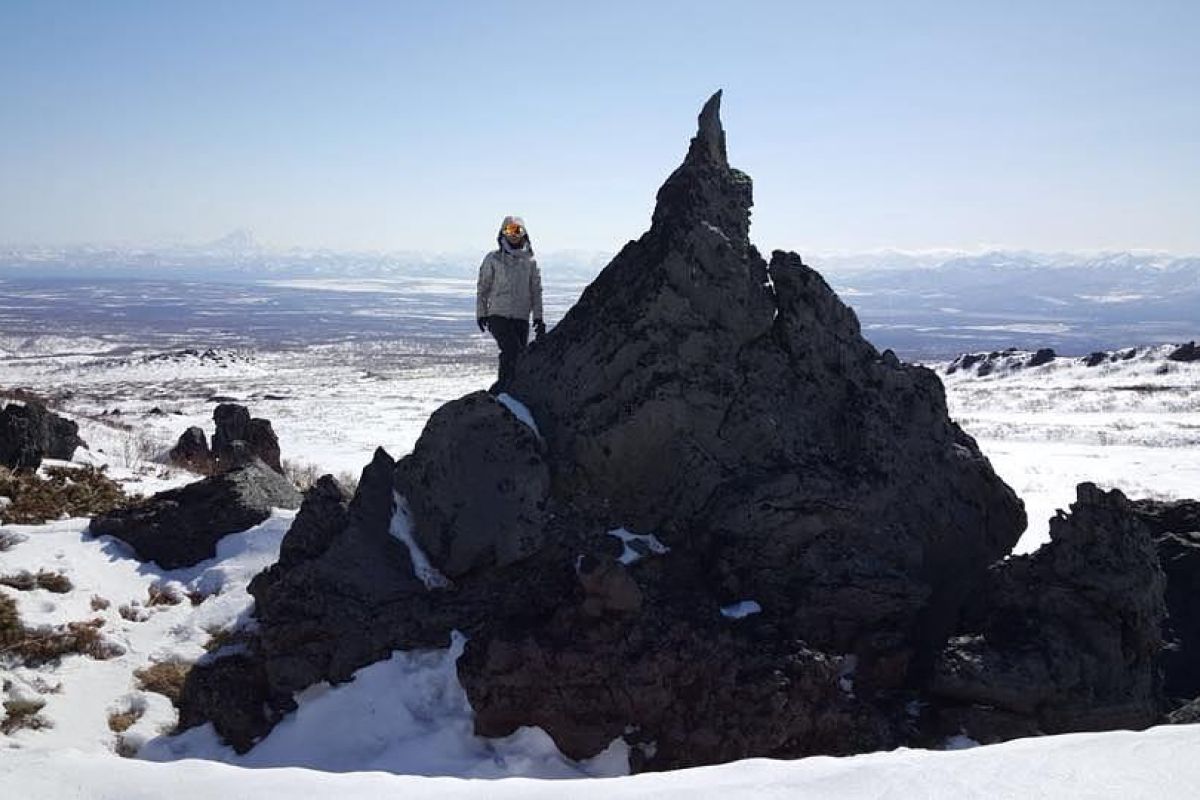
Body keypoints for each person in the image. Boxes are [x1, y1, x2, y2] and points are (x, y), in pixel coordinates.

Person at [476, 215, 545, 393]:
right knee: (511, 351)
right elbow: (483, 288)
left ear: (524, 233)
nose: (513, 235)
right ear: (502, 233)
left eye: (517, 230)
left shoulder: (530, 263)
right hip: (498, 315)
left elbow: (536, 292)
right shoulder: (493, 259)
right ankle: (500, 391)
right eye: (509, 230)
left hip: (521, 318)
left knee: (519, 357)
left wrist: (538, 318)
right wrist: (482, 313)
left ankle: (509, 392)